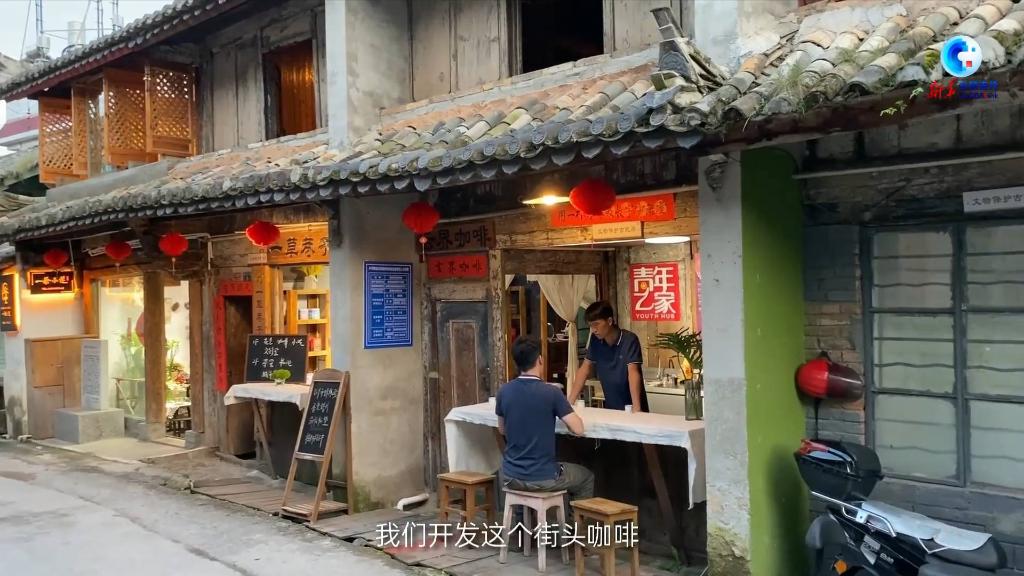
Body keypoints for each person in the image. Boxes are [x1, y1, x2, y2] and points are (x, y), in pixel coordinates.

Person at [496, 336, 594, 509]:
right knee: (586, 477)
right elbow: (578, 429)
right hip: (543, 476)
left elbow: (502, 430)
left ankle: (521, 522)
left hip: (510, 475)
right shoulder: (551, 393)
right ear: (540, 359)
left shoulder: (504, 391)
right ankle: (575, 525)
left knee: (522, 483)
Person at [568, 301, 649, 413]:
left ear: (609, 321)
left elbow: (633, 372)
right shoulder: (595, 340)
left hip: (632, 407)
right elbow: (584, 369)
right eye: (591, 326)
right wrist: (569, 403)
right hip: (611, 407)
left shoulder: (629, 339)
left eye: (596, 324)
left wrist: (637, 407)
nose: (594, 330)